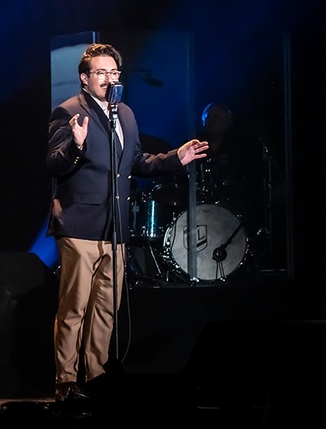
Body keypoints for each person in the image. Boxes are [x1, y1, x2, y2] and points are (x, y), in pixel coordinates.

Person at [45, 43, 208, 403]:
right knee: (75, 308)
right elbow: (55, 165)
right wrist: (75, 145)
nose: (109, 79)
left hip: (115, 227)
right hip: (79, 224)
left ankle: (97, 378)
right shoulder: (69, 111)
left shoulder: (126, 114)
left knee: (105, 308)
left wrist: (175, 159)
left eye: (114, 73)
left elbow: (137, 162)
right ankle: (66, 383)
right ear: (85, 78)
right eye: (101, 73)